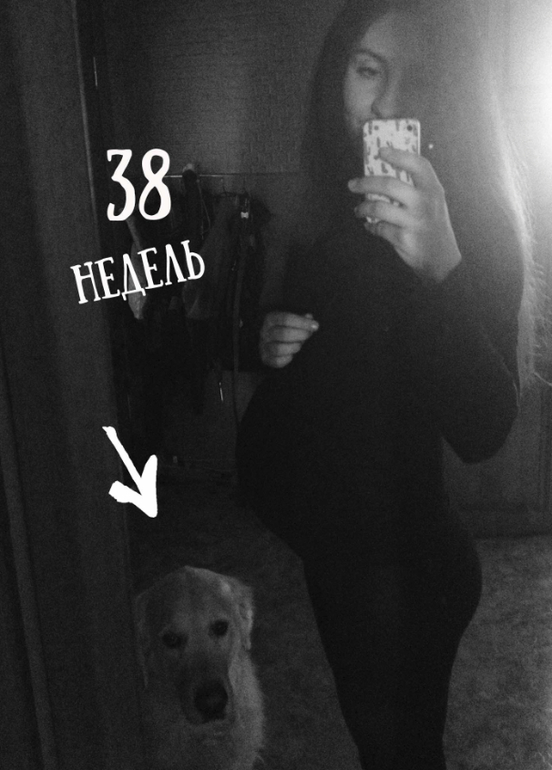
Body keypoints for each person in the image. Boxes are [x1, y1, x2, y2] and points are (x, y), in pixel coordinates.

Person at [237, 0, 535, 767]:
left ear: (453, 93)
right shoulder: (326, 201)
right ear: (336, 76)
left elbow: (485, 427)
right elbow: (319, 352)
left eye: (419, 79)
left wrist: (442, 267)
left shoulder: (475, 220)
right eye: (369, 70)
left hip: (408, 573)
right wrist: (268, 336)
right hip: (334, 555)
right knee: (376, 741)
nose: (389, 104)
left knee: (400, 754)